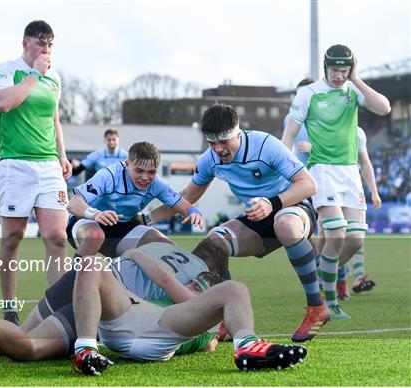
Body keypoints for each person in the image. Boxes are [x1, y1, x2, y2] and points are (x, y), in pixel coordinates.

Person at [146, 103, 328, 342]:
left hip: (291, 206)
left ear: (237, 132)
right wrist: (145, 218)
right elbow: (187, 198)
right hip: (256, 217)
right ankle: (227, 316)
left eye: (224, 142)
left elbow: (308, 185)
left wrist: (272, 203)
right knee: (214, 242)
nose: (218, 149)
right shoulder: (209, 160)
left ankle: (317, 308)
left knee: (284, 224)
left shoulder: (266, 145)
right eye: (212, 143)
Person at [0, 242, 221, 370]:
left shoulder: (169, 254)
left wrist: (134, 253)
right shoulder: (195, 308)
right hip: (98, 302)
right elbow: (207, 332)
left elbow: (161, 270)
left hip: (84, 282)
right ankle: (85, 348)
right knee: (28, 346)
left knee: (23, 337)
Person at [282, 44, 390, 319]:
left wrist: (356, 78)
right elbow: (289, 137)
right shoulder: (309, 93)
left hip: (350, 174)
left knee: (354, 240)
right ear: (325, 67)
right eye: (335, 70)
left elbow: (385, 108)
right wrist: (285, 171)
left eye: (344, 70)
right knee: (337, 235)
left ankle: (319, 273)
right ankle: (330, 302)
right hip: (322, 171)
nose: (339, 75)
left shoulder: (352, 90)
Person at [71, 256, 308, 376]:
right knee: (91, 262)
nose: (192, 284)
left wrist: (134, 253)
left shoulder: (199, 315)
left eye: (197, 285)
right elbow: (210, 344)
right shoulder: (206, 335)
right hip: (128, 320)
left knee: (235, 288)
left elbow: (166, 279)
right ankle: (85, 350)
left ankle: (248, 344)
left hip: (155, 328)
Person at [0, 20, 72, 325]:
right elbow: (3, 103)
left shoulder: (55, 80)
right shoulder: (8, 69)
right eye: (41, 44)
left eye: (50, 45)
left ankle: (63, 309)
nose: (46, 50)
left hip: (48, 165)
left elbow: (54, 119)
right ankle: (10, 309)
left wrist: (62, 155)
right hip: (15, 164)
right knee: (13, 237)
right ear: (26, 44)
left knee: (57, 237)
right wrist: (35, 73)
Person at [66, 141, 205, 260]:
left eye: (151, 172)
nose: (145, 177)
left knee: (168, 248)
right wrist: (96, 214)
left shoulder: (158, 184)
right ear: (127, 164)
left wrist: (194, 212)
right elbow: (73, 204)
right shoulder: (109, 175)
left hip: (122, 227)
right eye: (139, 171)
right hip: (88, 221)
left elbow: (183, 206)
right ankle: (67, 288)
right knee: (94, 236)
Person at [297, 127, 381, 300]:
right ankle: (335, 283)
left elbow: (364, 161)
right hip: (324, 182)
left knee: (349, 237)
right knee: (329, 237)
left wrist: (374, 191)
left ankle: (336, 281)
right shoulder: (318, 125)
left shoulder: (357, 132)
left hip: (349, 184)